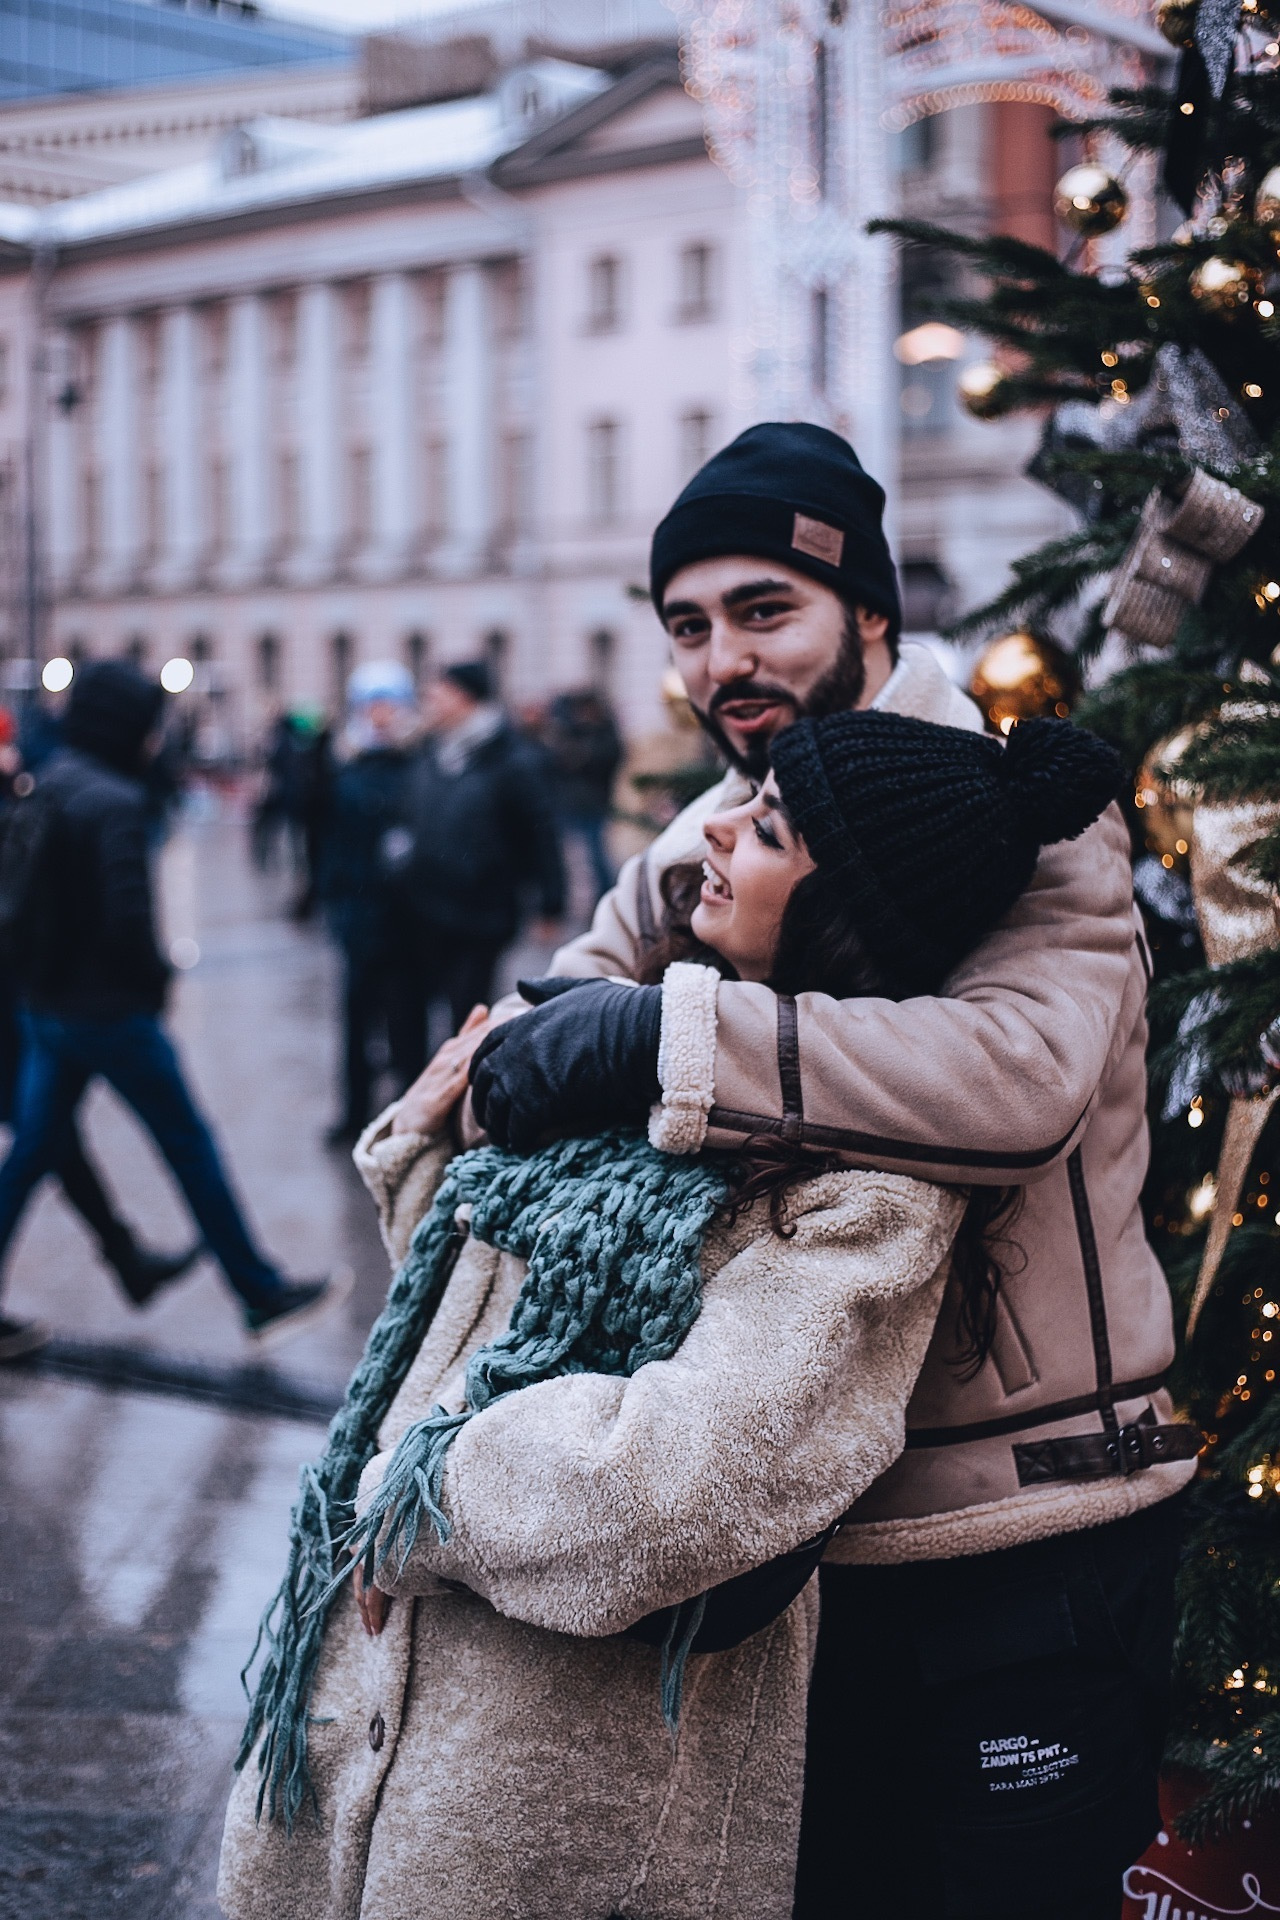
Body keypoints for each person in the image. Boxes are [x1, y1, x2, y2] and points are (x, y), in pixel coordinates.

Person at [219, 708, 1165, 1920]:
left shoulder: (856, 1187)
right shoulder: (656, 1042)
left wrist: (417, 1491)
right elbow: (480, 1306)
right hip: (389, 1715)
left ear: (842, 912)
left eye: (766, 830)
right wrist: (426, 1130)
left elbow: (673, 1482)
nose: (710, 830)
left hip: (568, 1783)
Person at [464, 422, 1194, 1920]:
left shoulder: (1007, 815)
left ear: (871, 611)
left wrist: (664, 1036)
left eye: (763, 611)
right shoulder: (696, 844)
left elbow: (1016, 1081)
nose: (720, 658)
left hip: (1028, 1534)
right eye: (686, 624)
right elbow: (513, 1054)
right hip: (785, 1550)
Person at [0, 660, 346, 1360]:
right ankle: (259, 1291)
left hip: (46, 1005)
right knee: (188, 1144)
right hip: (109, 1013)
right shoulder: (115, 801)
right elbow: (129, 922)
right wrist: (153, 985)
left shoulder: (48, 784)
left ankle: (253, 1288)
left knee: (34, 1150)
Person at [0, 702, 197, 1308]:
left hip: (27, 997)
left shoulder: (28, 796)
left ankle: (125, 1255)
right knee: (41, 1141)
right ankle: (130, 1256)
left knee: (45, 1139)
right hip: (31, 999)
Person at [394, 661, 565, 1037]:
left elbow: (541, 832)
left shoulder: (512, 758)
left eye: (436, 694)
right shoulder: (431, 752)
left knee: (467, 1009)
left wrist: (551, 901)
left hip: (482, 909)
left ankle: (465, 1084)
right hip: (427, 904)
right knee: (422, 1008)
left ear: (463, 697)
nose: (429, 703)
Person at [319, 662, 422, 1147]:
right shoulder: (344, 761)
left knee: (407, 1017)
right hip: (358, 912)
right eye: (372, 705)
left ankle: (410, 1109)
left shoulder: (417, 762)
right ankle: (354, 1109)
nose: (380, 715)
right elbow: (326, 833)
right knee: (356, 1017)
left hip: (406, 916)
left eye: (388, 704)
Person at [543, 686, 624, 904]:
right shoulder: (572, 730)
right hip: (569, 802)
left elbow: (601, 760)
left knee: (596, 855)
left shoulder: (604, 732)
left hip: (593, 803)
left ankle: (606, 896)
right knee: (571, 856)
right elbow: (558, 760)